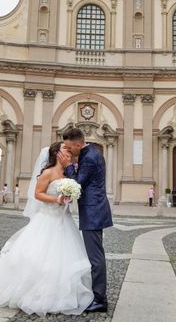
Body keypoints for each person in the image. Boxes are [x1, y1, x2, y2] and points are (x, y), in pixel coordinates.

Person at [0, 142, 93, 316]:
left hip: (64, 220)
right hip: (47, 219)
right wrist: (57, 200)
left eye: (69, 149)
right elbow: (38, 194)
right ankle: (37, 291)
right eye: (64, 149)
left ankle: (62, 291)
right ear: (56, 154)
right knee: (39, 257)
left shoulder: (69, 172)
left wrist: (70, 195)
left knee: (64, 256)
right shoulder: (48, 172)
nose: (68, 151)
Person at [62, 127, 113, 313]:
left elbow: (76, 184)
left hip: (93, 211)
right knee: (95, 255)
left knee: (95, 257)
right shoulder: (90, 152)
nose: (68, 151)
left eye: (69, 148)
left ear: (78, 144)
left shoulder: (90, 157)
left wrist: (68, 165)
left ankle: (100, 299)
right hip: (93, 210)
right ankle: (97, 295)